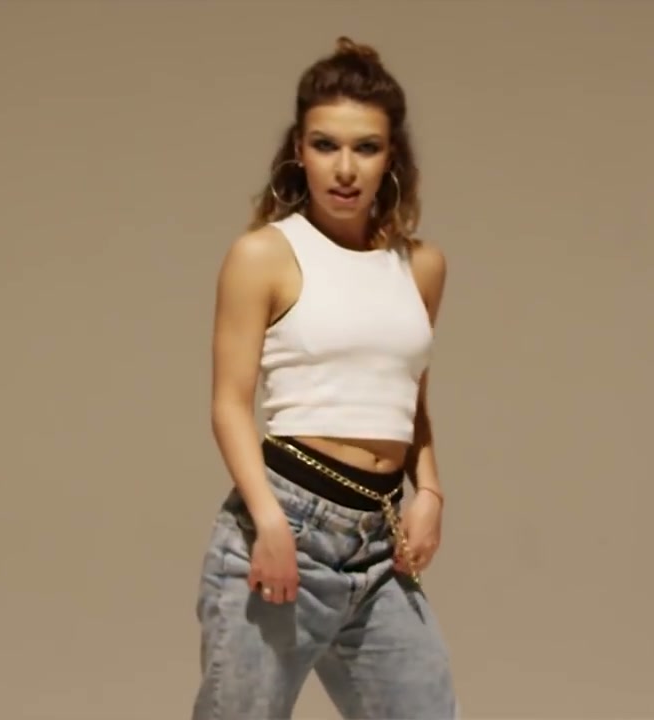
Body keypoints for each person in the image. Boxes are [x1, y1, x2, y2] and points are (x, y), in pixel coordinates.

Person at [191, 36, 458, 720]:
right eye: (325, 145)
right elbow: (228, 404)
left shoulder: (421, 267)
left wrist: (430, 491)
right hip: (287, 525)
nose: (344, 169)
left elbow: (410, 398)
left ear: (392, 156)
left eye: (365, 147)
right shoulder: (264, 255)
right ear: (298, 150)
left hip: (380, 544)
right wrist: (268, 521)